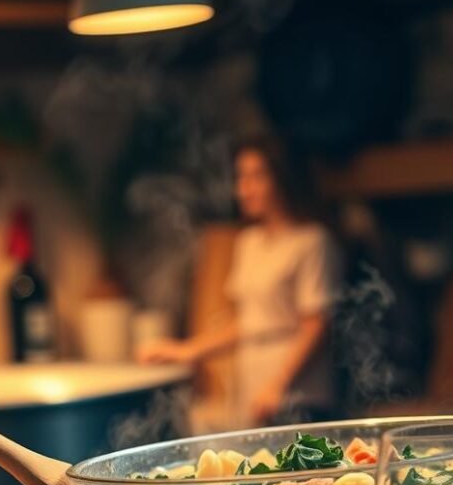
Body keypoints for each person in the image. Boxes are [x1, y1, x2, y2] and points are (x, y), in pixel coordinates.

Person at [138, 137, 338, 426]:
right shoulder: (249, 242)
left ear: (282, 178)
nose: (244, 188)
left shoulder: (312, 241)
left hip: (297, 396)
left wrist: (277, 386)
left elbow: (316, 324)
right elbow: (247, 322)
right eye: (241, 177)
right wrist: (187, 350)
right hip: (253, 389)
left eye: (256, 176)